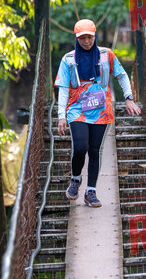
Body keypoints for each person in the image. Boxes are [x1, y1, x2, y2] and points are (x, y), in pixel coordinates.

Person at [55, 19, 141, 207]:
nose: (86, 41)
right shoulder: (68, 59)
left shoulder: (106, 55)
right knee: (80, 147)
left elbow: (121, 75)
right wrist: (61, 116)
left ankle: (91, 192)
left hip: (101, 109)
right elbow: (63, 88)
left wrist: (129, 97)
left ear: (94, 36)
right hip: (77, 108)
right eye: (82, 38)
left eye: (89, 37)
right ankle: (75, 179)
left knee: (94, 149)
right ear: (76, 38)